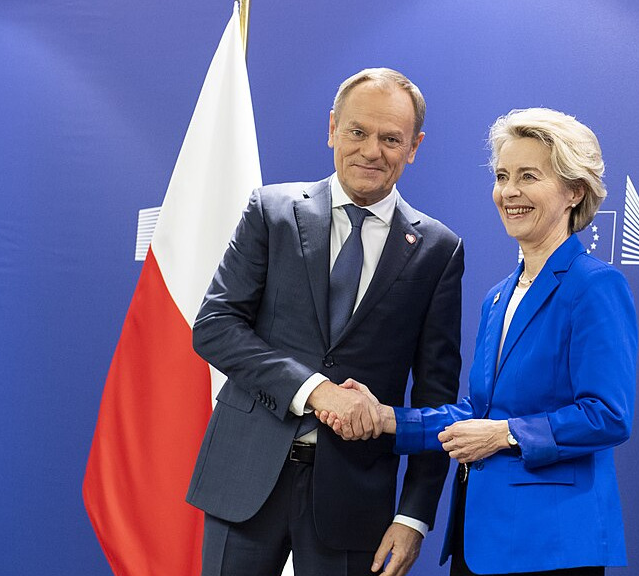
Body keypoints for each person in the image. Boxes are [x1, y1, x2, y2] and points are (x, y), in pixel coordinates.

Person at [321, 108, 637, 576]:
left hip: (551, 544)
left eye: (528, 176)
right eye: (503, 176)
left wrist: (506, 434)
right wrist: (388, 418)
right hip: (479, 538)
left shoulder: (594, 286)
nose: (509, 192)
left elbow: (607, 415)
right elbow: (479, 413)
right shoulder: (498, 296)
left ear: (574, 191)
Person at [186, 68, 464, 576]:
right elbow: (216, 325)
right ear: (332, 127)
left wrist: (413, 515)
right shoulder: (271, 211)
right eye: (357, 131)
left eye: (391, 139)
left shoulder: (438, 250)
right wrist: (316, 391)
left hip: (355, 499)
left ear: (414, 147)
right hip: (245, 478)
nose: (371, 151)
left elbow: (436, 396)